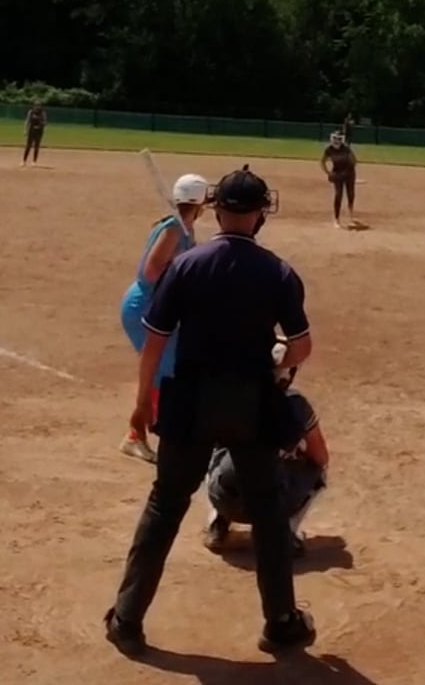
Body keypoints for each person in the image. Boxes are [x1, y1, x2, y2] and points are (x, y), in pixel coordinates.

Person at [104, 165, 317, 657]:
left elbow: (155, 343)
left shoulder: (186, 265)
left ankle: (127, 619)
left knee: (165, 506)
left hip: (189, 402)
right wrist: (277, 360)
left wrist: (141, 404)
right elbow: (301, 346)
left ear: (217, 210)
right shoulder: (278, 272)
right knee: (267, 511)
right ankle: (281, 623)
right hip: (252, 405)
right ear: (261, 214)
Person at [203, 339, 329, 558]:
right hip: (270, 506)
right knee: (319, 470)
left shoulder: (230, 393)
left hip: (223, 496)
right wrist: (293, 452)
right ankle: (285, 534)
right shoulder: (295, 404)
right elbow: (320, 457)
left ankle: (218, 522)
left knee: (210, 451)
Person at [116, 172, 209, 462]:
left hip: (155, 306)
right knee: (163, 370)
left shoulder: (183, 227)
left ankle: (141, 433)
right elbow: (151, 271)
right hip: (145, 307)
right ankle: (141, 435)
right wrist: (183, 269)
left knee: (167, 367)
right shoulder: (174, 229)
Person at [321, 129, 357, 228]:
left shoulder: (346, 149)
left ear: (342, 140)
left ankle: (351, 214)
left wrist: (348, 170)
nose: (336, 140)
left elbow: (354, 161)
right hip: (337, 174)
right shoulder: (329, 149)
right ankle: (336, 219)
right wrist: (328, 172)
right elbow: (322, 162)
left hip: (349, 173)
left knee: (350, 194)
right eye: (335, 138)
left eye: (339, 139)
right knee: (338, 195)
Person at [21, 101, 47, 167]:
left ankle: (34, 161)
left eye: (39, 105)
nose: (37, 107)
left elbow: (45, 122)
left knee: (36, 146)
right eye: (36, 105)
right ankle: (24, 161)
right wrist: (25, 130)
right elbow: (27, 121)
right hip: (31, 130)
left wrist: (41, 125)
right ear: (34, 106)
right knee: (28, 146)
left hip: (39, 131)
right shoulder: (31, 112)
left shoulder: (42, 113)